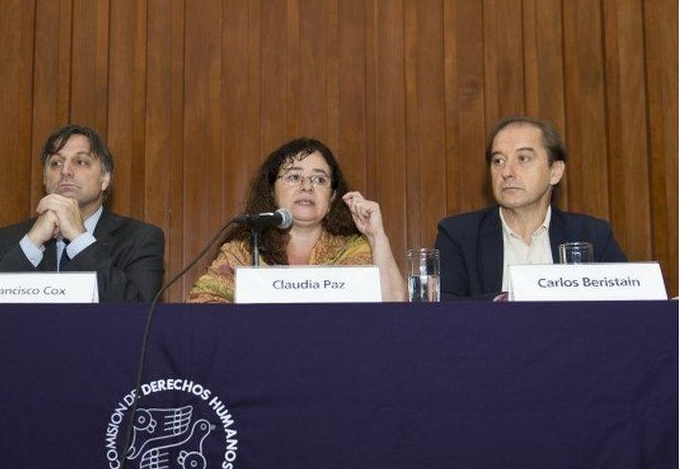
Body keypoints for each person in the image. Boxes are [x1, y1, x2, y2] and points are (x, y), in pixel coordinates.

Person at [188, 137, 405, 303]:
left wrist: (377, 236)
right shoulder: (244, 252)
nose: (307, 186)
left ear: (331, 199)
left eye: (319, 179)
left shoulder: (355, 250)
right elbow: (201, 306)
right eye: (294, 177)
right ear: (271, 192)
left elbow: (395, 308)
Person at [435, 116, 627, 300]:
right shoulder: (459, 235)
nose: (507, 172)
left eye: (523, 158)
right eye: (498, 161)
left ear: (555, 171)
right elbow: (442, 307)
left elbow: (630, 304)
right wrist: (506, 301)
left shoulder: (592, 235)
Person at [0, 124, 164, 302]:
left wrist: (80, 238)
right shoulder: (10, 240)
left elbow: (139, 315)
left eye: (80, 162)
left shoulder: (140, 239)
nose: (65, 171)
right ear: (45, 179)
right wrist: (32, 243)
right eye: (56, 163)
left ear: (105, 178)